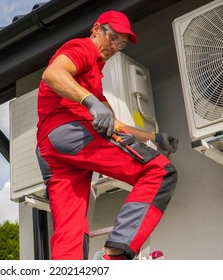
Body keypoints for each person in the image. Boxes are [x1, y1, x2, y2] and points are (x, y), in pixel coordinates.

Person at [35, 10, 178, 260]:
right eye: (112, 38)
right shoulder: (82, 49)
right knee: (159, 171)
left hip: (51, 150)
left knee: (70, 229)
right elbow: (52, 74)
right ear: (96, 29)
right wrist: (90, 102)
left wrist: (152, 137)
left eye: (120, 44)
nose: (114, 47)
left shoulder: (94, 77)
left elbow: (116, 123)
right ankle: (114, 257)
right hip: (70, 131)